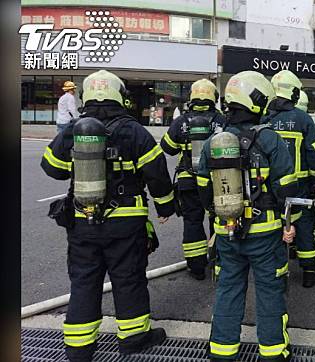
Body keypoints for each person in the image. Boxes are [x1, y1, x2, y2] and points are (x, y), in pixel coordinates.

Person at [41, 70, 175, 362]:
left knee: (84, 281)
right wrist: (165, 207)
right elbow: (157, 173)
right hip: (126, 222)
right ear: (120, 95)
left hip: (82, 220)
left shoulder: (75, 129)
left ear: (86, 96)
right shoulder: (134, 130)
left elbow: (51, 167)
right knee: (128, 278)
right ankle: (133, 338)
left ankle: (79, 348)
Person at [196, 71, 298, 361]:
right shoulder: (270, 140)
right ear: (258, 102)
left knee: (228, 287)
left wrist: (218, 218)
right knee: (269, 290)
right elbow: (287, 189)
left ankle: (222, 350)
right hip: (266, 233)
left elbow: (203, 189)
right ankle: (273, 351)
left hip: (227, 230)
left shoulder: (213, 143)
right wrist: (290, 226)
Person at [262, 70, 315, 288]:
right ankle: (309, 270)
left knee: (276, 225)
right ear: (294, 93)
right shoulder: (303, 119)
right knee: (304, 225)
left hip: (270, 187)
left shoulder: (264, 119)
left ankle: (277, 271)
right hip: (300, 186)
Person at [160, 79, 226, 280]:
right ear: (213, 97)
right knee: (218, 220)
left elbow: (167, 148)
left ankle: (196, 266)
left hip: (188, 180)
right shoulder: (221, 121)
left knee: (192, 221)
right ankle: (219, 262)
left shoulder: (181, 121)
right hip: (215, 180)